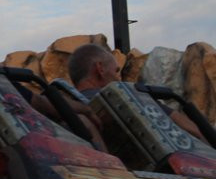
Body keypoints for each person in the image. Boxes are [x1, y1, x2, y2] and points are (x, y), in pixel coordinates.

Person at [67, 43, 203, 140]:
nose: (118, 78)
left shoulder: (64, 109)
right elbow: (193, 130)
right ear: (100, 69)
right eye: (116, 71)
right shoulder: (128, 97)